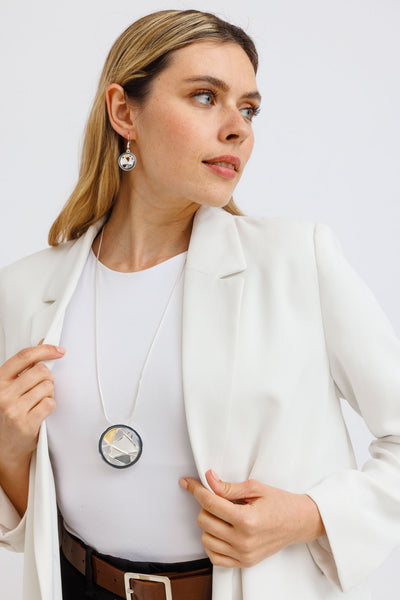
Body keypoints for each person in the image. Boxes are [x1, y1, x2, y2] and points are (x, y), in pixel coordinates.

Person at [0, 8, 399, 600]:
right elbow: (35, 524)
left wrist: (309, 515)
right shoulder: (25, 291)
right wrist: (8, 453)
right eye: (205, 97)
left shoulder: (297, 262)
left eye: (249, 108)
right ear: (124, 112)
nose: (238, 128)